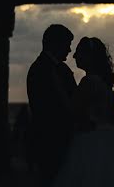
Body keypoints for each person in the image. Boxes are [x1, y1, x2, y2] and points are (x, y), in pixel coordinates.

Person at [52, 37, 114, 187]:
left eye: (79, 53)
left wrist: (59, 89)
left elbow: (73, 109)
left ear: (89, 57)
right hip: (108, 135)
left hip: (89, 138)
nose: (74, 56)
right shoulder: (103, 83)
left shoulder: (89, 82)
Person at [27, 24, 77, 186]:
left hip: (53, 138)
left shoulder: (49, 68)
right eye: (67, 45)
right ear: (57, 44)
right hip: (51, 140)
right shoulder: (44, 69)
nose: (69, 50)